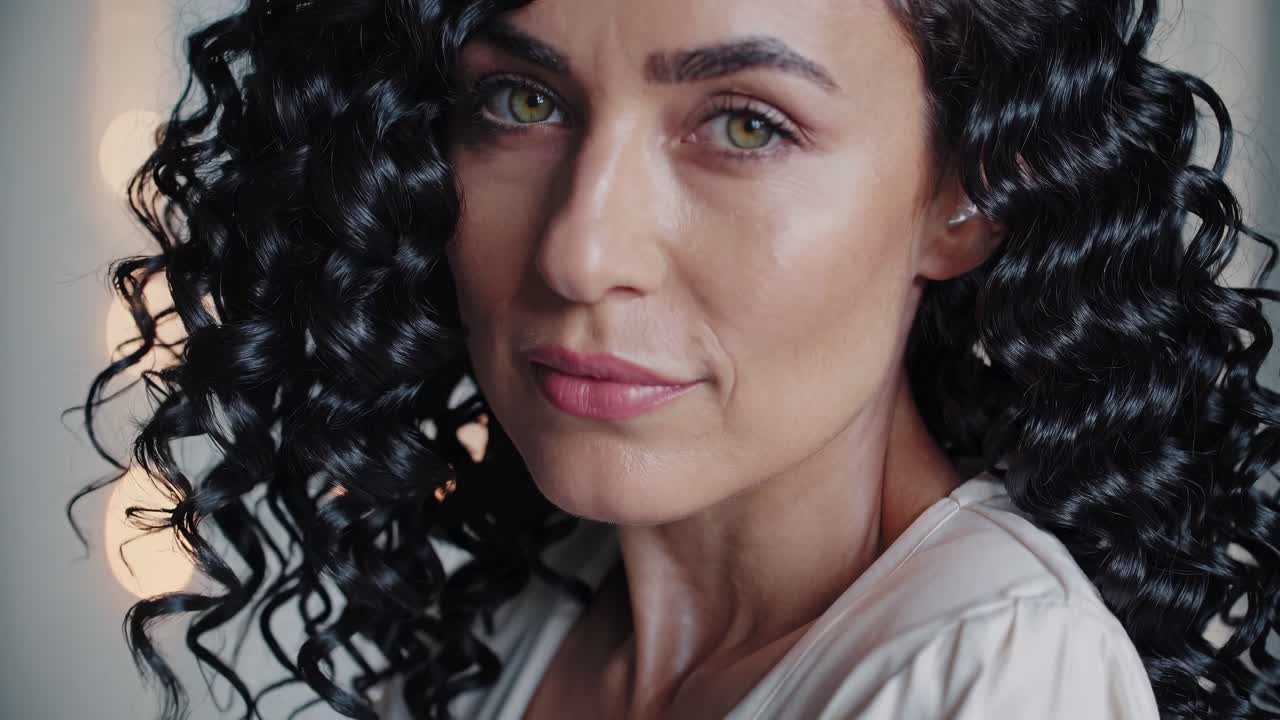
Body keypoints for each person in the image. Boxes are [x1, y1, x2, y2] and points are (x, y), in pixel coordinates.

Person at [69, 0, 1280, 718]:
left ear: (960, 202)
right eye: (521, 104)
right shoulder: (536, 608)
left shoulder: (994, 676)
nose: (583, 252)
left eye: (744, 124)